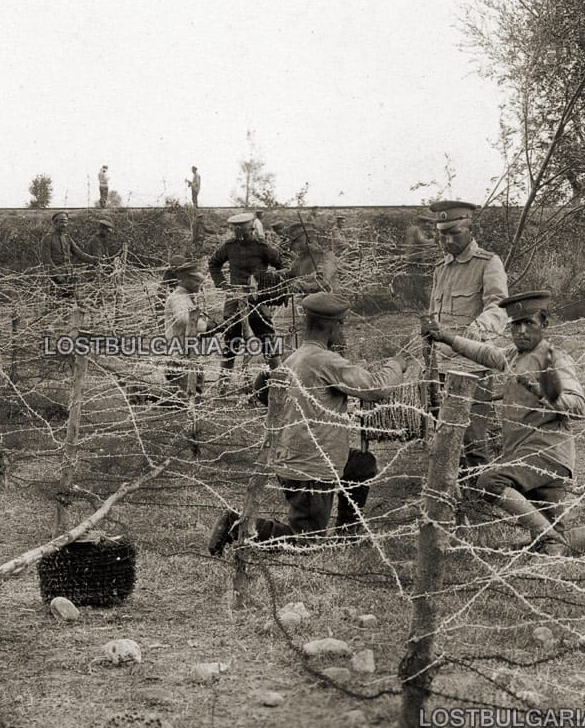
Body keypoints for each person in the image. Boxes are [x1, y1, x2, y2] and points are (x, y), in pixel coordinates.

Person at [423, 291, 585, 556]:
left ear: (544, 324)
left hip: (547, 455)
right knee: (550, 546)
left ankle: (548, 537)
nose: (521, 331)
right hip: (528, 457)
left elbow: (580, 405)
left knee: (488, 482)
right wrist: (446, 336)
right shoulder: (513, 356)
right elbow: (484, 352)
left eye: (528, 323)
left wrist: (547, 396)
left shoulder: (553, 358)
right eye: (515, 325)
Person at [208, 293, 407, 554]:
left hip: (299, 456)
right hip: (312, 468)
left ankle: (347, 535)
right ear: (333, 326)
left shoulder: (295, 358)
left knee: (361, 464)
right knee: (306, 541)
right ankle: (238, 525)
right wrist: (397, 364)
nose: (341, 331)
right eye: (341, 325)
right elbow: (376, 388)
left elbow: (266, 394)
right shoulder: (326, 361)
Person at [427, 200, 509, 469]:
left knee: (473, 442)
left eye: (455, 233)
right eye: (443, 234)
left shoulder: (487, 263)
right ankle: (451, 498)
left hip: (471, 367)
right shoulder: (441, 269)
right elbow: (434, 315)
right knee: (445, 439)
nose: (448, 240)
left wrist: (478, 330)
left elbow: (498, 306)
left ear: (470, 230)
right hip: (440, 367)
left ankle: (477, 501)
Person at [208, 212, 285, 389]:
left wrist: (267, 284)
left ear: (251, 228)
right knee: (230, 339)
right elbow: (214, 264)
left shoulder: (262, 247)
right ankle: (223, 386)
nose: (238, 233)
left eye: (242, 229)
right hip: (234, 298)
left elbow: (282, 266)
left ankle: (279, 381)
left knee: (267, 337)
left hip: (257, 299)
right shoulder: (229, 246)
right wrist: (222, 284)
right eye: (235, 229)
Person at [163, 263, 209, 395]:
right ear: (184, 280)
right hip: (180, 356)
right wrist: (206, 327)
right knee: (183, 398)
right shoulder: (178, 297)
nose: (199, 285)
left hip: (187, 353)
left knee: (194, 395)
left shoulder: (185, 296)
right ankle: (143, 394)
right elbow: (183, 318)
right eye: (196, 281)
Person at [39, 212, 98, 294]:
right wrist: (57, 275)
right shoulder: (48, 238)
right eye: (62, 222)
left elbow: (79, 253)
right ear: (55, 223)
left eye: (66, 222)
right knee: (56, 302)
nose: (64, 225)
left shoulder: (67, 237)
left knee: (70, 301)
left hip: (69, 275)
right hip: (55, 278)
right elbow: (46, 259)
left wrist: (95, 260)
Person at [401, 211, 439, 307]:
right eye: (425, 222)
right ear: (421, 222)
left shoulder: (411, 229)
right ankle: (423, 304)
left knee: (414, 281)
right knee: (418, 281)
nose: (427, 224)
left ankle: (415, 303)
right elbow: (424, 243)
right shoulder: (416, 230)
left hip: (411, 258)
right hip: (415, 259)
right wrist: (435, 239)